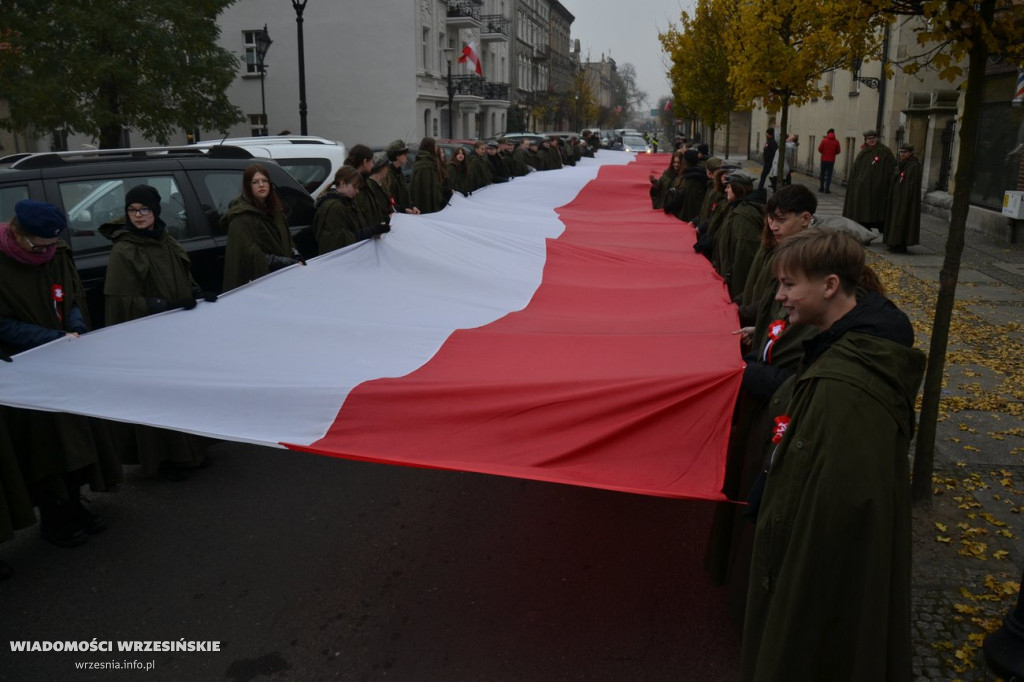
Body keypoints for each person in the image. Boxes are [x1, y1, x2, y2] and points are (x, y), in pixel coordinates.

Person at [741, 227, 925, 681]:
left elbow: (842, 509)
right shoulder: (836, 343)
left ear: (829, 286)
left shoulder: (844, 384)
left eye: (789, 285)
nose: (780, 296)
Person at [0, 200, 122, 546]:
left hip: (63, 358)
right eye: (41, 244)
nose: (47, 251)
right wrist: (51, 338)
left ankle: (73, 502)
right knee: (45, 445)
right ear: (19, 234)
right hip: (23, 367)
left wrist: (75, 325)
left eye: (53, 245)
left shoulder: (56, 254)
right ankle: (53, 517)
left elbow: (68, 296)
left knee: (76, 435)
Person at [100, 185, 215, 480]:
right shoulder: (124, 249)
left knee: (184, 389)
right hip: (149, 338)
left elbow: (181, 276)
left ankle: (192, 451)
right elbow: (122, 303)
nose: (138, 216)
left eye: (144, 209)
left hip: (177, 334)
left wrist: (199, 293)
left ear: (156, 212)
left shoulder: (166, 239)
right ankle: (169, 459)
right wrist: (166, 305)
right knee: (161, 395)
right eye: (132, 210)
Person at [222, 164, 303, 291]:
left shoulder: (276, 212)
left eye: (264, 181)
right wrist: (283, 262)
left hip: (284, 279)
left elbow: (288, 240)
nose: (261, 185)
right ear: (248, 187)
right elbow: (250, 255)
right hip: (261, 283)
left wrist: (296, 255)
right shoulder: (241, 218)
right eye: (255, 182)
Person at [715, 172, 768, 300]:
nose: (726, 189)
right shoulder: (737, 209)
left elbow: (744, 255)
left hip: (736, 283)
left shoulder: (743, 216)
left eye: (729, 186)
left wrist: (730, 275)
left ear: (738, 189)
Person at [313, 167, 390, 254]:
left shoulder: (347, 203)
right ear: (342, 183)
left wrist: (374, 230)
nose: (357, 191)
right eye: (355, 187)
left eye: (358, 188)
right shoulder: (334, 208)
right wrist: (371, 231)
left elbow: (356, 228)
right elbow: (339, 242)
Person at [842, 129, 896, 233]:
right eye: (869, 139)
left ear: (877, 139)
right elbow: (855, 170)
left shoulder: (885, 152)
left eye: (873, 138)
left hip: (879, 189)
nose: (871, 140)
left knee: (878, 211)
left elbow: (892, 169)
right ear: (865, 140)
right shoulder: (863, 153)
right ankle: (865, 231)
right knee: (863, 211)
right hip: (863, 189)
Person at [884, 144, 923, 253]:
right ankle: (894, 242)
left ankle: (901, 244)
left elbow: (911, 185)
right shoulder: (901, 164)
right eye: (901, 152)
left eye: (905, 152)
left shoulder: (913, 166)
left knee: (903, 220)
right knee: (895, 220)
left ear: (910, 153)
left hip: (905, 199)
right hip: (898, 197)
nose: (902, 154)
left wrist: (906, 198)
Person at [664, 149, 709, 224]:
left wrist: (667, 208)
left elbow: (680, 198)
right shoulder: (700, 174)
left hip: (688, 218)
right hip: (696, 215)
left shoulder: (689, 179)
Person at [410, 137, 447, 214]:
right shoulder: (426, 164)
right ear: (430, 147)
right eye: (435, 146)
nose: (436, 148)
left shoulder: (428, 161)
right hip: (427, 207)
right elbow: (427, 190)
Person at [384, 139, 420, 215]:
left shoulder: (399, 173)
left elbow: (406, 196)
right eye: (404, 153)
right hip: (396, 218)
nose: (407, 156)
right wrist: (404, 210)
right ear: (397, 156)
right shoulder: (388, 176)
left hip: (405, 216)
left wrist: (412, 206)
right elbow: (389, 201)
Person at [817, 128, 841, 193]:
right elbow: (838, 151)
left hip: (824, 160)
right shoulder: (836, 142)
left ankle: (821, 187)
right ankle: (827, 188)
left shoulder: (824, 140)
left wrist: (824, 152)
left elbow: (819, 149)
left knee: (822, 174)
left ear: (827, 133)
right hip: (831, 160)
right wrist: (833, 153)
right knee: (829, 175)